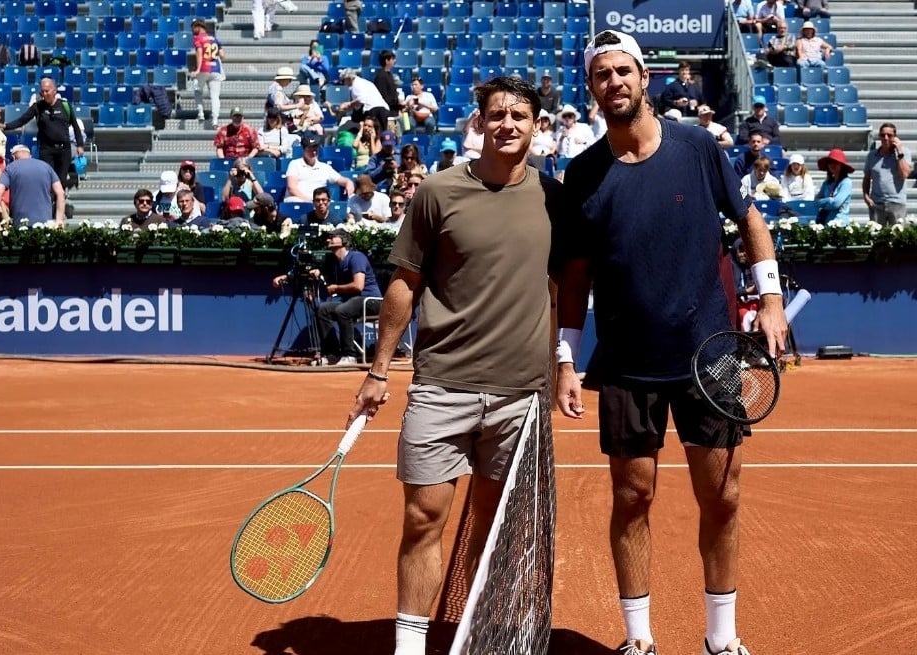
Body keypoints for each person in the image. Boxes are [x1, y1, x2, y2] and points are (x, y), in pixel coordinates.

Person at [553, 30, 786, 655]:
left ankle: (721, 638)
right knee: (633, 497)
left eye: (623, 71)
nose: (614, 83)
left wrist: (769, 300)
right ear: (592, 87)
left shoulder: (698, 147)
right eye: (602, 75)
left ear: (645, 77)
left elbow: (749, 221)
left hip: (709, 354)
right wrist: (566, 358)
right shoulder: (582, 174)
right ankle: (638, 640)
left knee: (724, 496)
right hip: (627, 362)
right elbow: (574, 277)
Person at [346, 76, 564, 655]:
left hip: (520, 396)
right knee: (424, 517)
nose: (508, 124)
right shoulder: (437, 192)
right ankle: (411, 646)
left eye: (520, 115)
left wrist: (561, 364)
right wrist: (379, 369)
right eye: (497, 115)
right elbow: (404, 283)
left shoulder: (554, 198)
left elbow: (561, 287)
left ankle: (481, 635)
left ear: (537, 127)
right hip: (442, 386)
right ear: (479, 123)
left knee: (494, 533)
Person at [303, 229, 382, 365]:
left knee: (343, 310)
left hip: (372, 301)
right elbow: (321, 274)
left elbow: (358, 286)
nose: (328, 240)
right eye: (328, 238)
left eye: (333, 237)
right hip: (352, 302)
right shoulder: (334, 262)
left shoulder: (356, 257)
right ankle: (332, 354)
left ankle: (349, 355)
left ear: (344, 241)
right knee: (323, 310)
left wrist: (337, 288)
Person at [3, 77, 85, 188]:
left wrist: (80, 145)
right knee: (49, 180)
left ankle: (60, 202)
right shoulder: (37, 107)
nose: (44, 93)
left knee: (61, 180)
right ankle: (50, 203)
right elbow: (22, 120)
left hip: (64, 149)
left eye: (47, 91)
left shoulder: (65, 106)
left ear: (54, 91)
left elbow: (75, 126)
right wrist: (6, 126)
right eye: (42, 91)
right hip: (47, 149)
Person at [0, 143, 64, 228]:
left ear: (13, 157)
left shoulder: (10, 168)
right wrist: (59, 220)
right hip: (45, 222)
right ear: (30, 155)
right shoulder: (46, 167)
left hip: (20, 223)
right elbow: (60, 193)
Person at [861, 123, 912, 225]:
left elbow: (904, 175)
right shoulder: (872, 156)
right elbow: (867, 178)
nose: (885, 138)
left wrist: (899, 153)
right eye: (883, 135)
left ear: (895, 137)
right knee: (877, 238)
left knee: (898, 238)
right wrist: (866, 196)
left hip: (897, 203)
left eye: (889, 135)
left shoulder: (904, 153)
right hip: (877, 203)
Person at [285, 132, 354, 202]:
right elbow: (291, 187)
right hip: (300, 200)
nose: (313, 153)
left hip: (319, 202)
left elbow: (341, 180)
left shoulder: (325, 167)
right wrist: (309, 200)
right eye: (310, 150)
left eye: (315, 150)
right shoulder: (295, 164)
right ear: (303, 150)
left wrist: (348, 183)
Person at [190, 20, 225, 129]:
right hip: (216, 69)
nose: (192, 31)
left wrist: (197, 70)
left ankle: (200, 113)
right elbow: (223, 55)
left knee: (197, 89)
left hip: (204, 68)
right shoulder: (214, 38)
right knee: (215, 96)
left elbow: (199, 54)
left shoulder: (198, 38)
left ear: (198, 27)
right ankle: (215, 120)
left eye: (193, 28)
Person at [814, 147, 854, 223]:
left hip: (840, 224)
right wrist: (829, 200)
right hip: (825, 222)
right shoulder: (826, 183)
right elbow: (816, 202)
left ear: (841, 165)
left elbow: (836, 203)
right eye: (830, 162)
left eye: (835, 162)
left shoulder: (846, 182)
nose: (832, 165)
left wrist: (824, 201)